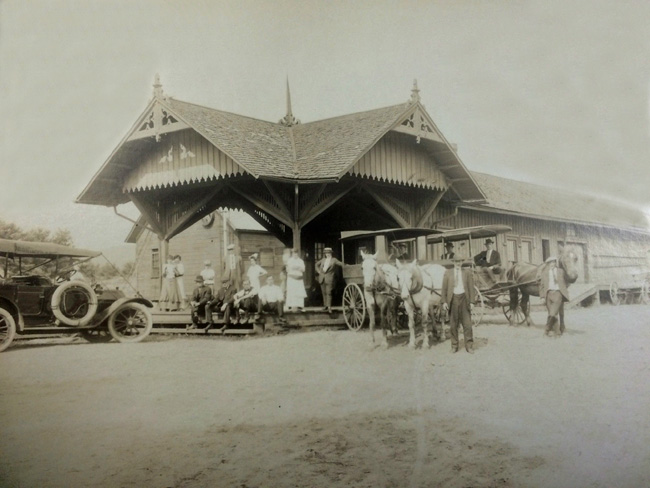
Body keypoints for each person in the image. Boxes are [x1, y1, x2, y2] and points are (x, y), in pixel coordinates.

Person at [440, 256, 476, 354]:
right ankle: (454, 346)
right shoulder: (448, 273)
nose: (458, 263)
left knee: (467, 324)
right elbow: (444, 289)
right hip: (453, 299)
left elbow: (471, 288)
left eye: (460, 261)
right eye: (456, 261)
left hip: (464, 299)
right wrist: (444, 302)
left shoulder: (467, 272)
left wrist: (472, 302)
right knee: (453, 325)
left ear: (462, 262)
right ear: (453, 262)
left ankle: (469, 346)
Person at [538, 257, 569, 337]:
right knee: (552, 314)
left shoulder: (561, 271)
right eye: (550, 263)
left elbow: (567, 281)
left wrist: (563, 289)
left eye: (554, 262)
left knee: (552, 314)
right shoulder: (544, 273)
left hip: (558, 294)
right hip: (548, 294)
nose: (552, 264)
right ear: (548, 264)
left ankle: (546, 330)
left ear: (556, 263)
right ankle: (557, 333)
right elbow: (541, 285)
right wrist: (542, 297)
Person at [315, 247, 342, 312]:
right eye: (326, 253)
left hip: (329, 279)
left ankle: (329, 307)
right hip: (322, 278)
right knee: (324, 292)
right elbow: (316, 265)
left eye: (329, 253)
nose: (327, 254)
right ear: (325, 254)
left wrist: (347, 266)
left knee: (329, 293)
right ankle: (325, 306)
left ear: (331, 253)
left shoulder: (334, 260)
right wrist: (319, 272)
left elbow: (340, 264)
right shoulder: (323, 260)